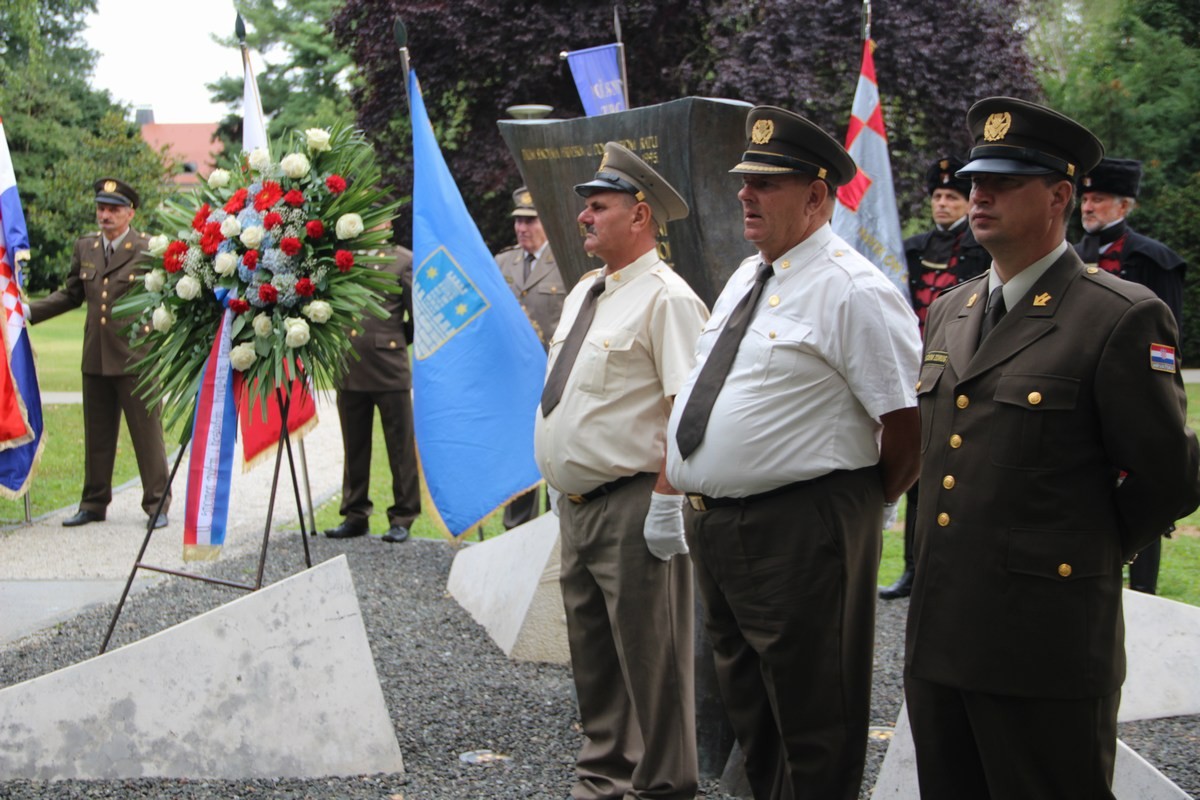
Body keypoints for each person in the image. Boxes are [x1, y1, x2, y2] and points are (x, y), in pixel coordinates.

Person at [905, 97, 1200, 800]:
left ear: (1061, 195)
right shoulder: (954, 309)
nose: (980, 195)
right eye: (977, 180)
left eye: (1004, 181)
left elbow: (1172, 474)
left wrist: (1082, 549)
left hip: (1045, 640)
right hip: (942, 633)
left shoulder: (1117, 316)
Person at [666, 106, 922, 800]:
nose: (746, 193)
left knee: (815, 721)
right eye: (745, 180)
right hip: (722, 525)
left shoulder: (853, 289)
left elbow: (904, 425)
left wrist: (854, 509)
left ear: (816, 196)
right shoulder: (749, 276)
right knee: (752, 713)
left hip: (803, 528)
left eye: (767, 183)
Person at [534, 142, 706, 800]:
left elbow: (688, 413)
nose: (583, 217)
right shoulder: (587, 291)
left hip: (636, 502)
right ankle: (604, 776)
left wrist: (667, 502)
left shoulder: (667, 298)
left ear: (640, 216)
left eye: (597, 207)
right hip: (580, 503)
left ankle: (664, 785)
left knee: (653, 659)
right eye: (585, 207)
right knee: (595, 656)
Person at [31, 177, 171, 530]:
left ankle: (157, 504)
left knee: (147, 434)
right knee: (97, 434)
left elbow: (170, 298)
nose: (105, 216)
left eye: (113, 210)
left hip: (136, 356)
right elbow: (71, 295)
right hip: (95, 354)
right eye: (101, 209)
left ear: (130, 213)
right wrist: (27, 312)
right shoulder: (86, 247)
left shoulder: (149, 248)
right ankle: (93, 503)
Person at [1075, 157, 1188, 594]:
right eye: (1085, 198)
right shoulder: (1070, 257)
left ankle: (1144, 591)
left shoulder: (1153, 259)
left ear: (1124, 205)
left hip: (1137, 392)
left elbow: (1167, 338)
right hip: (1085, 388)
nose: (1088, 207)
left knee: (1143, 483)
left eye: (1098, 199)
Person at [881, 155, 991, 600]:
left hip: (962, 368)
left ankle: (958, 570)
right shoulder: (908, 248)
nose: (943, 204)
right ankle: (913, 568)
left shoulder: (982, 252)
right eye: (938, 196)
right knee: (917, 473)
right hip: (914, 369)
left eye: (952, 197)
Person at [324, 244, 420, 543]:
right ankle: (355, 514)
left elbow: (417, 317)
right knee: (354, 444)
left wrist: (391, 341)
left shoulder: (402, 261)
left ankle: (403, 515)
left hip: (389, 368)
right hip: (350, 365)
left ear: (386, 223)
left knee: (399, 447)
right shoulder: (343, 257)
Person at [494, 186, 565, 529]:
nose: (522, 228)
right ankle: (515, 534)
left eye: (530, 220)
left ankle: (555, 533)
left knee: (552, 459)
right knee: (518, 461)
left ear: (546, 223)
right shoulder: (502, 262)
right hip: (513, 385)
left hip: (553, 381)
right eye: (518, 221)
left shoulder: (565, 263)